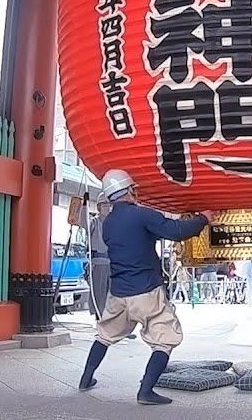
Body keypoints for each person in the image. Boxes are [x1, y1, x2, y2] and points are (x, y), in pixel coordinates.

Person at [78, 169, 212, 405]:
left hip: (118, 293)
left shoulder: (108, 223)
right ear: (129, 190)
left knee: (105, 335)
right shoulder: (142, 215)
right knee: (165, 338)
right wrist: (203, 218)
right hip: (147, 291)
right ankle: (146, 391)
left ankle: (86, 378)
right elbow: (176, 232)